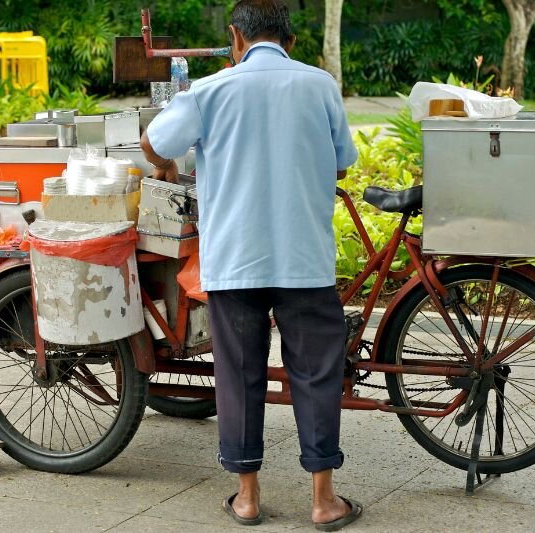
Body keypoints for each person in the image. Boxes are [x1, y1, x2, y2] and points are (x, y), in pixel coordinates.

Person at [140, 0, 361, 530]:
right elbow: (342, 163)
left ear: (236, 38)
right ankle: (324, 501)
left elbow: (152, 144)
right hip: (304, 259)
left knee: (238, 375)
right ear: (291, 42)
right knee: (317, 373)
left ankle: (247, 498)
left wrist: (169, 163)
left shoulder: (211, 91)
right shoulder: (320, 86)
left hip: (236, 260)